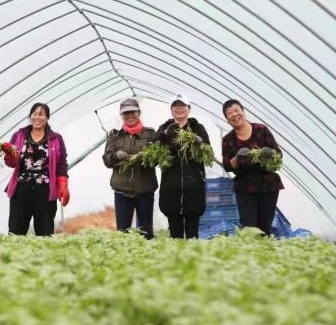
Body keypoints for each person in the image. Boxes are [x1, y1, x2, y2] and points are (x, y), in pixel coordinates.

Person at [3, 103, 70, 236]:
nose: (37, 117)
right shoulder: (19, 135)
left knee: (44, 232)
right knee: (16, 231)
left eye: (41, 114)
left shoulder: (56, 139)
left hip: (45, 191)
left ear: (47, 118)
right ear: (30, 116)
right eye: (34, 114)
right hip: (21, 189)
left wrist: (63, 185)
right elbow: (11, 163)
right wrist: (9, 154)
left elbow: (62, 163)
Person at [221, 99, 283, 236]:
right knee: (249, 227)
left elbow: (278, 155)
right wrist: (237, 157)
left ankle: (264, 254)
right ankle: (252, 253)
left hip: (268, 185)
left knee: (264, 226)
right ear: (227, 119)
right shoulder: (228, 139)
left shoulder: (261, 129)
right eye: (230, 113)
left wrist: (269, 153)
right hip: (245, 187)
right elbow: (227, 166)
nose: (234, 114)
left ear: (244, 112)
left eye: (237, 110)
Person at [102, 98, 158, 239]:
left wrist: (146, 157)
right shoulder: (115, 135)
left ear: (139, 113)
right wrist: (116, 155)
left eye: (133, 112)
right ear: (121, 116)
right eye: (126, 113)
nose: (130, 116)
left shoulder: (150, 134)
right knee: (123, 233)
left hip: (145, 190)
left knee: (146, 233)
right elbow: (107, 160)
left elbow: (157, 159)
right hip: (122, 192)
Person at [156, 94, 210, 239]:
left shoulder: (198, 128)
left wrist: (199, 143)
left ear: (189, 109)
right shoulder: (164, 128)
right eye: (175, 106)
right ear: (171, 109)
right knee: (175, 236)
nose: (179, 108)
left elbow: (208, 154)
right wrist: (164, 137)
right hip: (171, 189)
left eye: (182, 106)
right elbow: (154, 155)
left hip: (193, 188)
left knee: (193, 235)